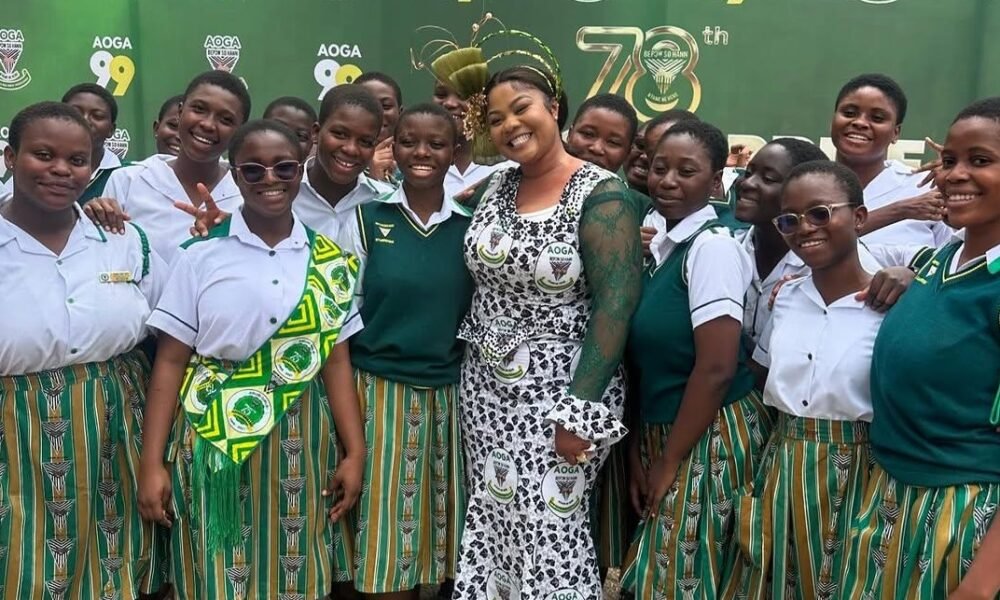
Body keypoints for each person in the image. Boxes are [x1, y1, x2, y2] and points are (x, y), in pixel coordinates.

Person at [137, 119, 365, 599]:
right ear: (235, 176)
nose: (270, 180)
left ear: (300, 169)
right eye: (253, 170)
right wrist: (151, 463)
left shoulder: (328, 259)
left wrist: (355, 452)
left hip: (301, 433)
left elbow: (336, 363)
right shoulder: (200, 255)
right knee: (216, 568)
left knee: (295, 570)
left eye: (283, 167)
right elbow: (171, 361)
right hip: (212, 429)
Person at [453, 66, 642, 600]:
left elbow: (616, 306)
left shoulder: (603, 194)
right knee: (493, 523)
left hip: (563, 391)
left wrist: (577, 413)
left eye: (522, 107)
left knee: (550, 530)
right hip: (486, 389)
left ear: (555, 107)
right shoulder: (496, 185)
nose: (510, 124)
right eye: (495, 118)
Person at [0, 101, 165, 598]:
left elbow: (167, 333)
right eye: (42, 155)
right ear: (10, 157)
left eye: (76, 161)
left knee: (117, 566)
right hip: (18, 436)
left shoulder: (123, 239)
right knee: (23, 561)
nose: (60, 170)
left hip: (118, 429)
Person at [841, 97, 1000, 600]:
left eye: (981, 160)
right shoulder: (940, 260)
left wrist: (978, 586)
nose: (955, 175)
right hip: (888, 502)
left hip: (960, 520)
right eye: (950, 160)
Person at [620, 120, 775, 599]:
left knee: (680, 577)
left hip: (711, 435)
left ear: (715, 183)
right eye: (660, 168)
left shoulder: (712, 249)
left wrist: (668, 460)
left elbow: (716, 368)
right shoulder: (659, 250)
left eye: (686, 171)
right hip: (666, 428)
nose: (667, 181)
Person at [720, 160, 886, 600]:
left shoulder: (890, 306)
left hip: (855, 472)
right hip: (782, 460)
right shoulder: (786, 297)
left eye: (820, 213)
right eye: (790, 219)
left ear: (860, 217)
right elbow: (760, 374)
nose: (804, 228)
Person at [342, 103, 472, 599]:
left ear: (454, 151)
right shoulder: (366, 219)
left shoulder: (471, 226)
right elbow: (343, 316)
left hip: (450, 397)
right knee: (385, 543)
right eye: (409, 141)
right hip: (377, 395)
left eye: (436, 144)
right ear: (392, 148)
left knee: (441, 544)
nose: (422, 152)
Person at [95, 70, 250, 263]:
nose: (208, 124)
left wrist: (233, 231)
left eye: (226, 120)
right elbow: (103, 259)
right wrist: (94, 217)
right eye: (199, 109)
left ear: (241, 130)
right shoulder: (128, 181)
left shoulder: (248, 191)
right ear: (180, 111)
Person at [830, 73, 952, 247]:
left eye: (877, 118)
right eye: (849, 113)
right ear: (832, 120)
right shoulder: (806, 185)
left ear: (896, 132)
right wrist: (901, 210)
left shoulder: (923, 189)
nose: (860, 123)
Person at [431, 80, 515, 200]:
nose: (450, 103)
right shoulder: (416, 163)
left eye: (463, 95)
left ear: (484, 101)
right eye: (441, 95)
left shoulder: (510, 163)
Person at [357, 72, 403, 183]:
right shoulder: (340, 161)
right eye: (367, 106)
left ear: (400, 112)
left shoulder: (415, 159)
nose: (377, 114)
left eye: (386, 106)